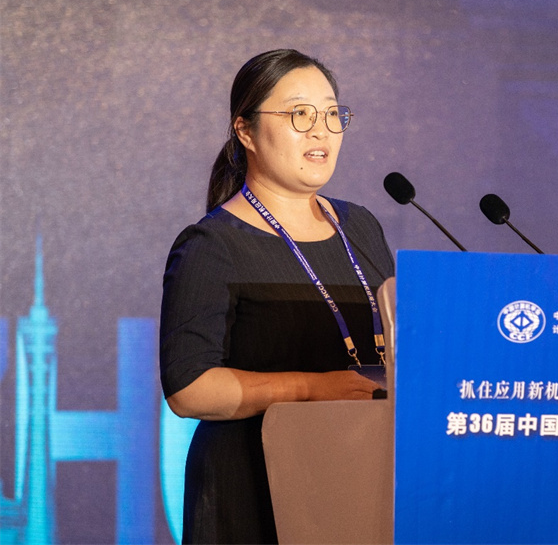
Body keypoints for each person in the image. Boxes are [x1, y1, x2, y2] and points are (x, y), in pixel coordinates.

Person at [159, 49, 394, 544]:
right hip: (254, 490)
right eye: (299, 115)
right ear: (245, 131)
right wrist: (311, 388)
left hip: (360, 477)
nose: (321, 131)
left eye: (331, 115)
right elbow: (189, 388)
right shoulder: (213, 245)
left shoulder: (361, 227)